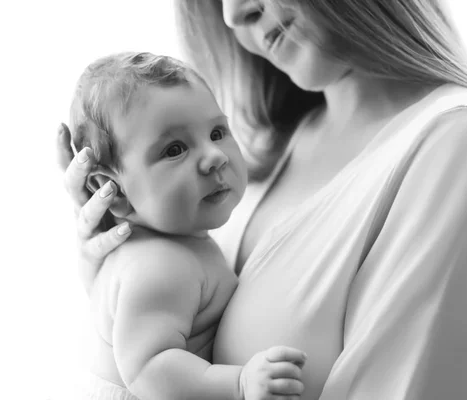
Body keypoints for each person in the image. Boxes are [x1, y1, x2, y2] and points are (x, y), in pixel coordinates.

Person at [57, 1, 467, 399]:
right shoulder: (260, 150)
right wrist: (110, 265)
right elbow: (153, 350)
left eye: (214, 133)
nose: (233, 12)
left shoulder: (462, 144)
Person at [68, 51, 307, 400]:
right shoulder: (157, 265)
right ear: (114, 191)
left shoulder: (174, 243)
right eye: (175, 149)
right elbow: (149, 368)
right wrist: (239, 383)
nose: (215, 157)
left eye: (216, 132)